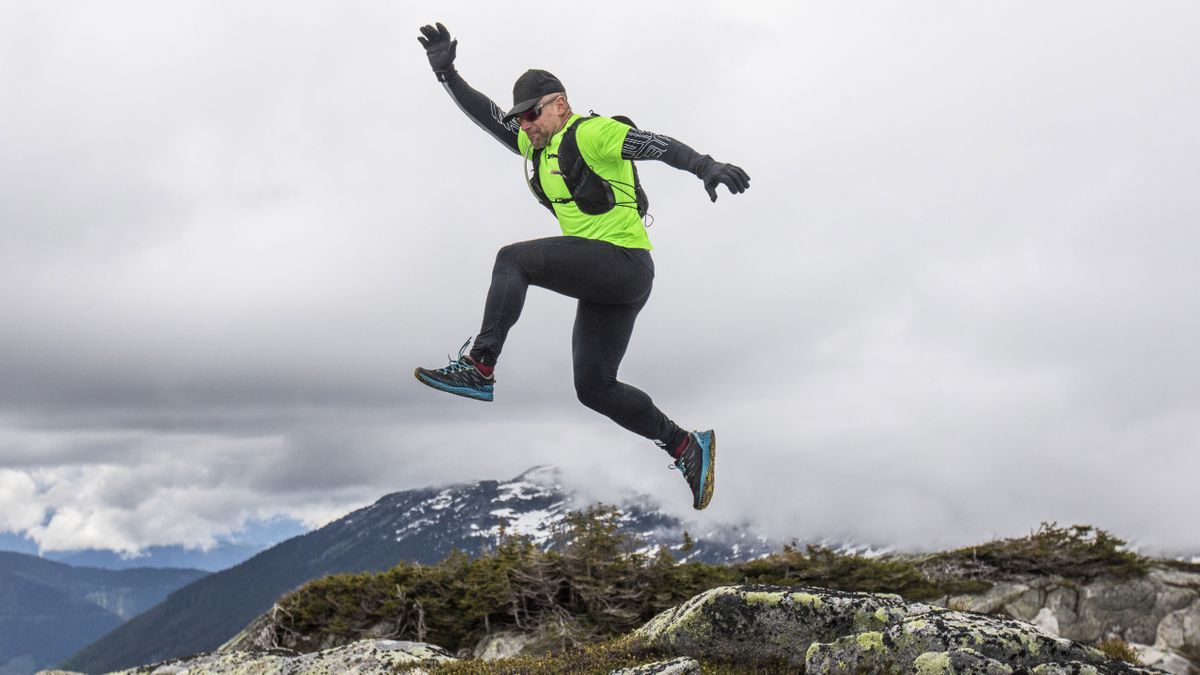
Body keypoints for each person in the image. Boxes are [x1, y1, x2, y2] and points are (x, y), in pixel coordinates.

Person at [413, 22, 749, 510]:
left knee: (513, 259)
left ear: (559, 104)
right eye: (520, 118)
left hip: (625, 263)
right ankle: (684, 445)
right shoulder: (534, 143)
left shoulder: (591, 132)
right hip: (603, 281)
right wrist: (447, 74)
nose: (524, 123)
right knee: (593, 387)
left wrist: (706, 166)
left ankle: (480, 366)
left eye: (531, 113)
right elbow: (486, 115)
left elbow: (659, 145)